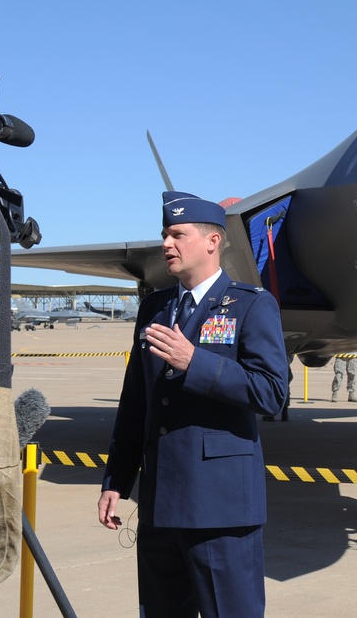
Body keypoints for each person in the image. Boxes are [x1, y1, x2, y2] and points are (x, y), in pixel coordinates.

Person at [97, 191, 288, 617]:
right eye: (165, 234)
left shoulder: (251, 305)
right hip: (160, 506)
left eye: (177, 234)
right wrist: (116, 481)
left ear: (211, 241)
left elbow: (272, 392)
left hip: (220, 509)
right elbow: (136, 405)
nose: (166, 243)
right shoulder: (155, 308)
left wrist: (195, 363)